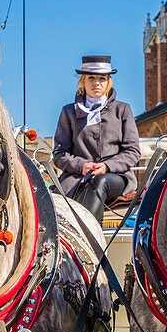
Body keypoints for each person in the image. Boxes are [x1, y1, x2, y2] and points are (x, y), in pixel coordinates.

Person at [52, 56, 141, 221]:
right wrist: (82, 165)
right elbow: (59, 153)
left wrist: (107, 166)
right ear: (82, 81)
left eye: (102, 78)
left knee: (100, 181)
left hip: (115, 177)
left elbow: (133, 151)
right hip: (76, 178)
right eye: (91, 78)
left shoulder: (122, 110)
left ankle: (88, 237)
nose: (96, 83)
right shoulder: (68, 112)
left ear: (108, 82)